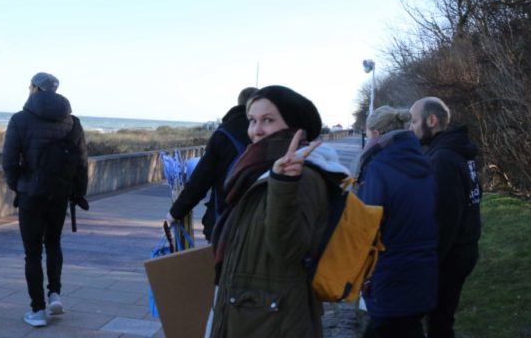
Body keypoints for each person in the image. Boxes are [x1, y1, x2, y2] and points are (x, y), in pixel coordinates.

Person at [208, 85, 349, 338]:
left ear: (296, 128)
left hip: (274, 321)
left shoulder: (302, 176)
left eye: (268, 120)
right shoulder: (257, 171)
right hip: (251, 314)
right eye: (252, 120)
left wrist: (284, 185)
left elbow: (288, 250)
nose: (256, 131)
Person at [2, 72, 88, 327]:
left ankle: (37, 311)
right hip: (59, 194)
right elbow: (82, 162)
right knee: (53, 244)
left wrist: (18, 185)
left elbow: (9, 160)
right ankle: (55, 294)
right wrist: (78, 192)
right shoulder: (73, 122)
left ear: (35, 89)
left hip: (31, 195)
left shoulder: (20, 119)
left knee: (32, 253)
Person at [355, 106, 438, 338]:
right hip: (423, 267)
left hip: (389, 269)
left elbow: (365, 224)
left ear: (376, 133)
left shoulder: (378, 167)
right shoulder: (424, 162)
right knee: (408, 327)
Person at [409, 97, 482, 338]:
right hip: (465, 249)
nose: (411, 127)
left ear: (432, 120)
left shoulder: (442, 158)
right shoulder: (460, 150)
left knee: (438, 322)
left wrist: (430, 261)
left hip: (450, 256)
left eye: (414, 120)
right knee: (442, 318)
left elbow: (446, 217)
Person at [167, 87, 258, 240]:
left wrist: (175, 212)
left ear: (238, 103)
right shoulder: (271, 133)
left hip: (224, 220)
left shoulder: (224, 133)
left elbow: (200, 180)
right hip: (258, 221)